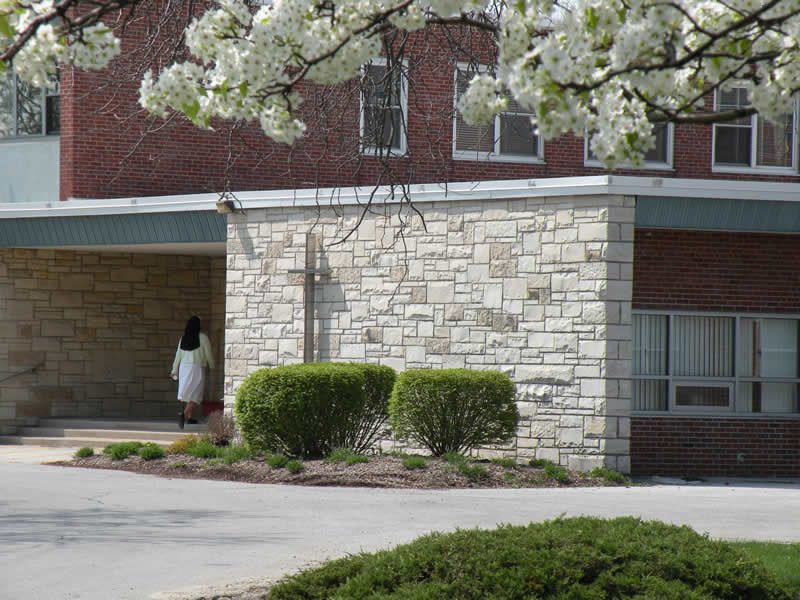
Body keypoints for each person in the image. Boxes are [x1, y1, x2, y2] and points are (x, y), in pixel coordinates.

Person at [170, 316, 215, 429]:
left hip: (184, 368)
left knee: (189, 392)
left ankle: (190, 418)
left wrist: (174, 369)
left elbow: (178, 355)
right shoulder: (203, 338)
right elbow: (208, 353)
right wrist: (212, 365)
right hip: (196, 367)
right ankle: (184, 415)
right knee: (196, 394)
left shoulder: (183, 338)